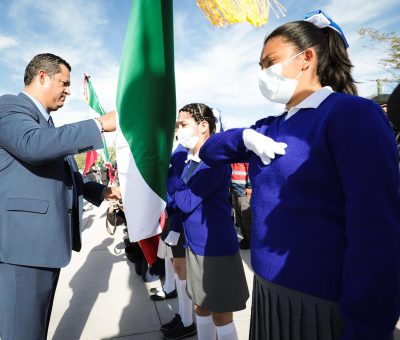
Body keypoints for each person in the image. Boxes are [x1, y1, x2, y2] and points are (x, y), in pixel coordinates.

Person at [200, 10, 400, 340]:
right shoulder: (269, 126)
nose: (264, 73)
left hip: (320, 303)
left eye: (270, 62)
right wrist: (243, 137)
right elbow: (210, 151)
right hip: (268, 293)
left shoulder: (350, 115)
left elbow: (376, 234)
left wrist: (366, 326)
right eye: (260, 67)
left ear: (306, 58)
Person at [0, 53, 120, 340]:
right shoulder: (9, 107)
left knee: (34, 328)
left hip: (41, 245)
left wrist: (101, 190)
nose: (68, 90)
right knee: (21, 331)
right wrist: (99, 125)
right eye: (63, 83)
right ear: (42, 76)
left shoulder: (45, 122)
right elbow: (33, 146)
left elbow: (63, 173)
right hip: (22, 248)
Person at [167, 103, 249, 340]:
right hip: (194, 246)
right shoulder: (191, 160)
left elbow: (185, 201)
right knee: (200, 306)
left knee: (221, 314)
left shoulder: (214, 162)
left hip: (215, 249)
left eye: (183, 125)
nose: (179, 130)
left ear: (203, 126)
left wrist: (166, 173)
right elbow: (176, 200)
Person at [230, 162, 252, 249]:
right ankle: (246, 239)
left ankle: (251, 240)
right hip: (234, 189)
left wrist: (250, 187)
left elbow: (250, 168)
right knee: (239, 218)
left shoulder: (245, 152)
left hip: (243, 191)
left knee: (246, 218)